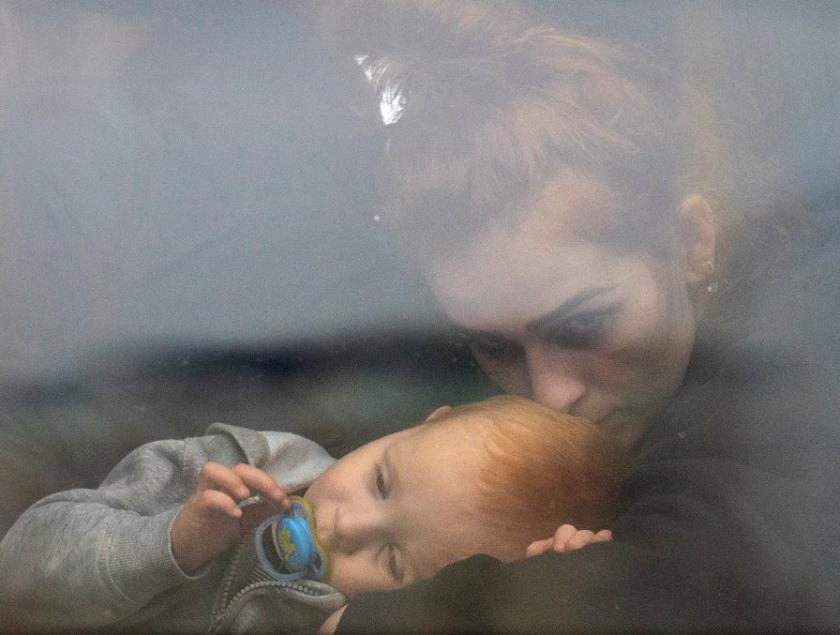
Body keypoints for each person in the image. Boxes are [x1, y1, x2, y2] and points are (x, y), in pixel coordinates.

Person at [312, 1, 840, 632]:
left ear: (691, 240)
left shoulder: (796, 375)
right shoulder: (424, 379)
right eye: (492, 346)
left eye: (582, 325)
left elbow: (681, 589)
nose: (548, 395)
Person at [0, 395, 622, 632]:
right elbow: (18, 571)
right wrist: (171, 543)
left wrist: (532, 600)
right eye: (381, 481)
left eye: (394, 561)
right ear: (422, 422)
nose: (346, 528)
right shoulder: (233, 468)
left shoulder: (351, 624)